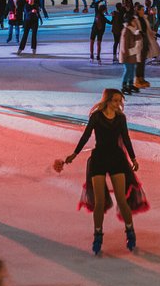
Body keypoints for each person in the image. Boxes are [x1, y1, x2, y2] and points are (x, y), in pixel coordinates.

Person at [59, 88, 148, 255]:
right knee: (99, 202)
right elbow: (85, 136)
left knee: (122, 199)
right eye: (115, 100)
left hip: (117, 159)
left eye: (119, 101)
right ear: (107, 100)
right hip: (99, 159)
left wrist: (134, 159)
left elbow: (126, 138)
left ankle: (130, 232)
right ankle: (98, 235)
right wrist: (75, 154)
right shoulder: (96, 117)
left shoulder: (121, 118)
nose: (118, 104)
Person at [118, 12, 142, 95]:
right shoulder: (126, 30)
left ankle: (130, 84)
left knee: (132, 70)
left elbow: (137, 38)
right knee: (128, 70)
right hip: (127, 55)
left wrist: (138, 33)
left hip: (132, 53)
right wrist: (125, 56)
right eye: (133, 21)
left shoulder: (132, 29)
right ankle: (124, 86)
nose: (135, 22)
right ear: (130, 21)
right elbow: (124, 45)